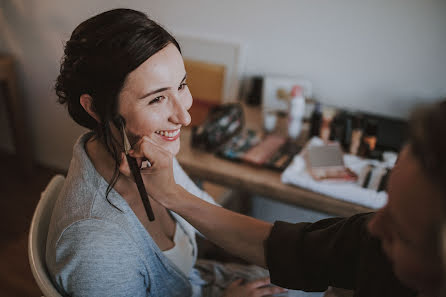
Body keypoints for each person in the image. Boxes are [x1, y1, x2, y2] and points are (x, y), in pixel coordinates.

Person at [46, 8, 288, 297]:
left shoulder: (147, 155)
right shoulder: (96, 244)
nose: (184, 117)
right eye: (157, 98)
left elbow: (212, 216)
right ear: (96, 108)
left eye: (182, 85)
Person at [122, 99, 446, 297]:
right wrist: (173, 195)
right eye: (385, 202)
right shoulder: (371, 241)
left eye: (399, 232)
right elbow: (293, 248)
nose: (374, 227)